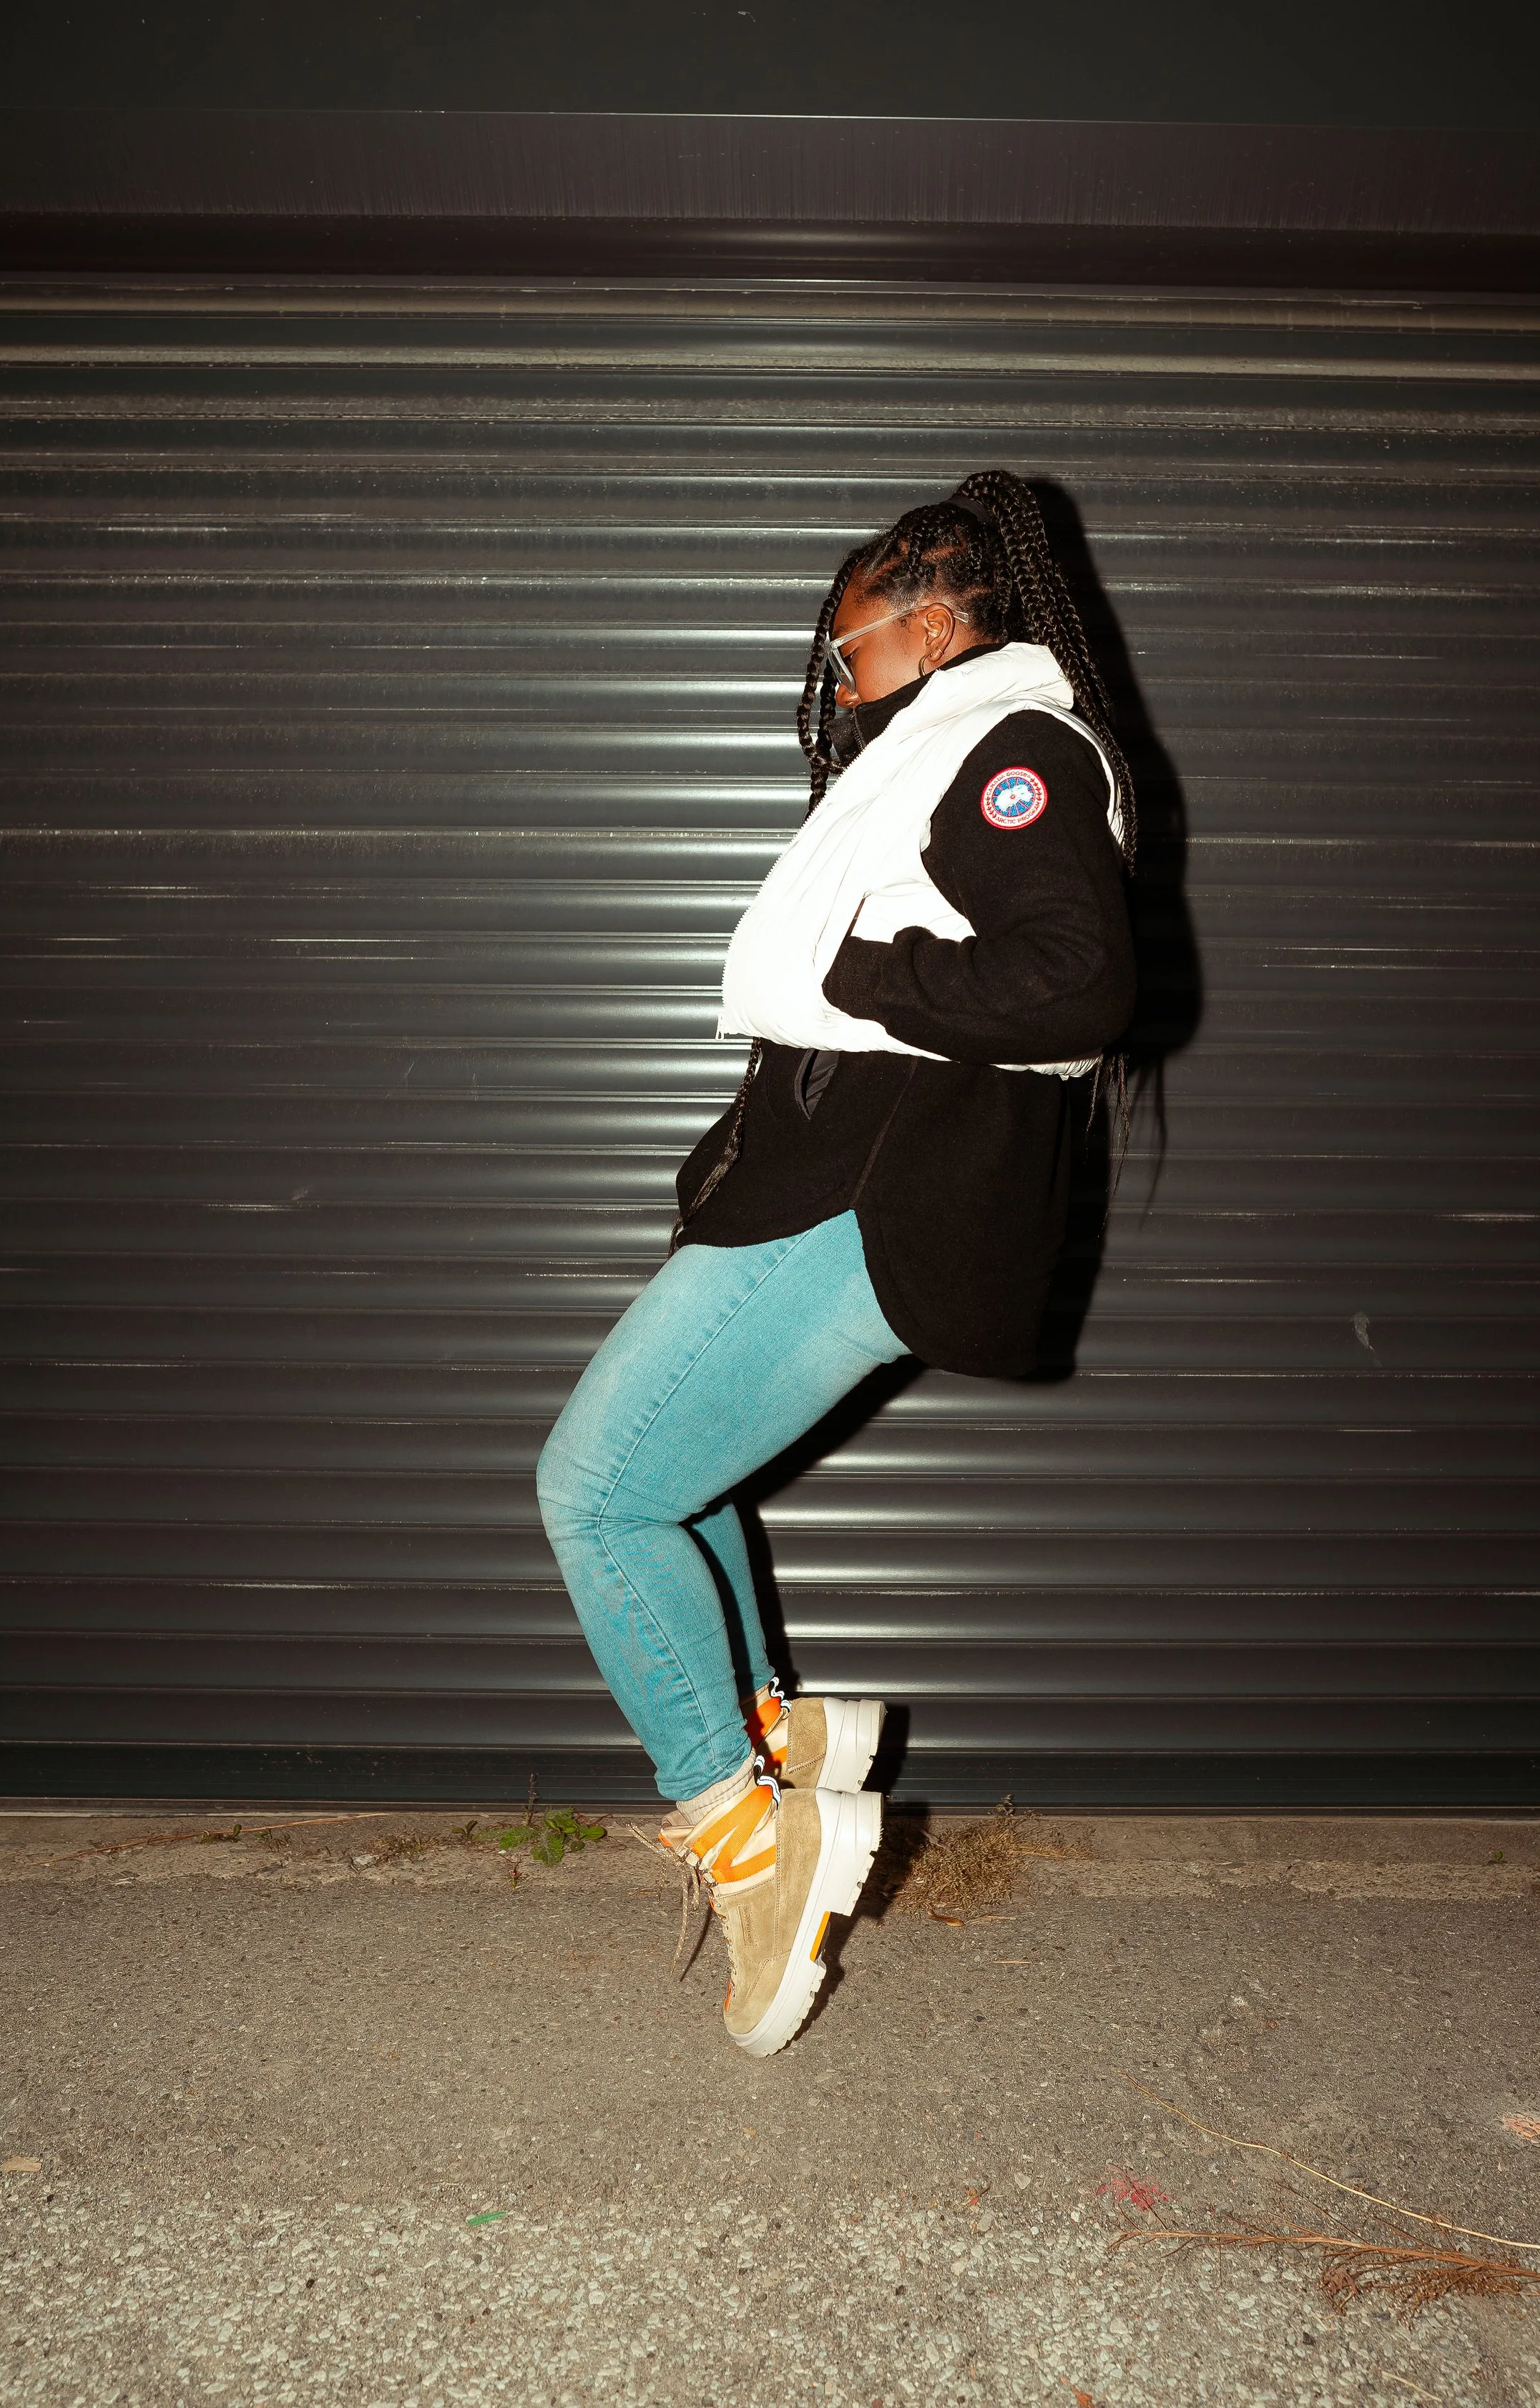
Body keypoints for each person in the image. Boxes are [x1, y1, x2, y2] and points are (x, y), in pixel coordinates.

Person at [536, 468, 1137, 2056]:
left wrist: (860, 967)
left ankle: (751, 1834)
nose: (836, 679)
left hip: (872, 1201)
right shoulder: (952, 750)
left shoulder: (1012, 751)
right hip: (827, 1189)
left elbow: (1073, 980)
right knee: (689, 1476)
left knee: (595, 1494)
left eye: (849, 647)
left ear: (934, 625)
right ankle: (780, 1743)